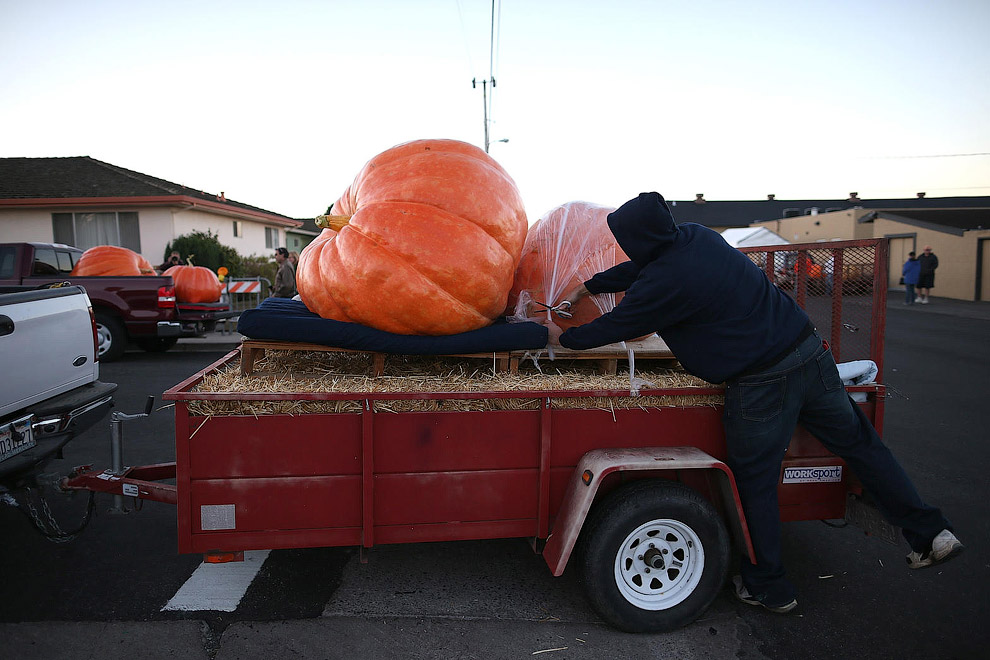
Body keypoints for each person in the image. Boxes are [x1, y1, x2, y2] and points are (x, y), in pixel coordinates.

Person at [548, 192, 962, 614]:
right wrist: (591, 285)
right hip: (811, 355)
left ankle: (769, 587)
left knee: (755, 484)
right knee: (862, 445)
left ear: (640, 239)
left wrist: (559, 337)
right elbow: (642, 268)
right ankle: (931, 531)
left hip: (762, 382)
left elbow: (616, 324)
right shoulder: (694, 237)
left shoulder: (665, 284)